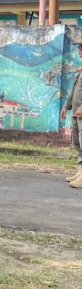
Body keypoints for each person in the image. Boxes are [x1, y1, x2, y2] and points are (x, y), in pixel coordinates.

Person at [61, 44, 82, 188]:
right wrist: (66, 106)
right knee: (77, 142)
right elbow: (74, 90)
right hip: (76, 113)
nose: (80, 51)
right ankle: (81, 171)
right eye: (79, 48)